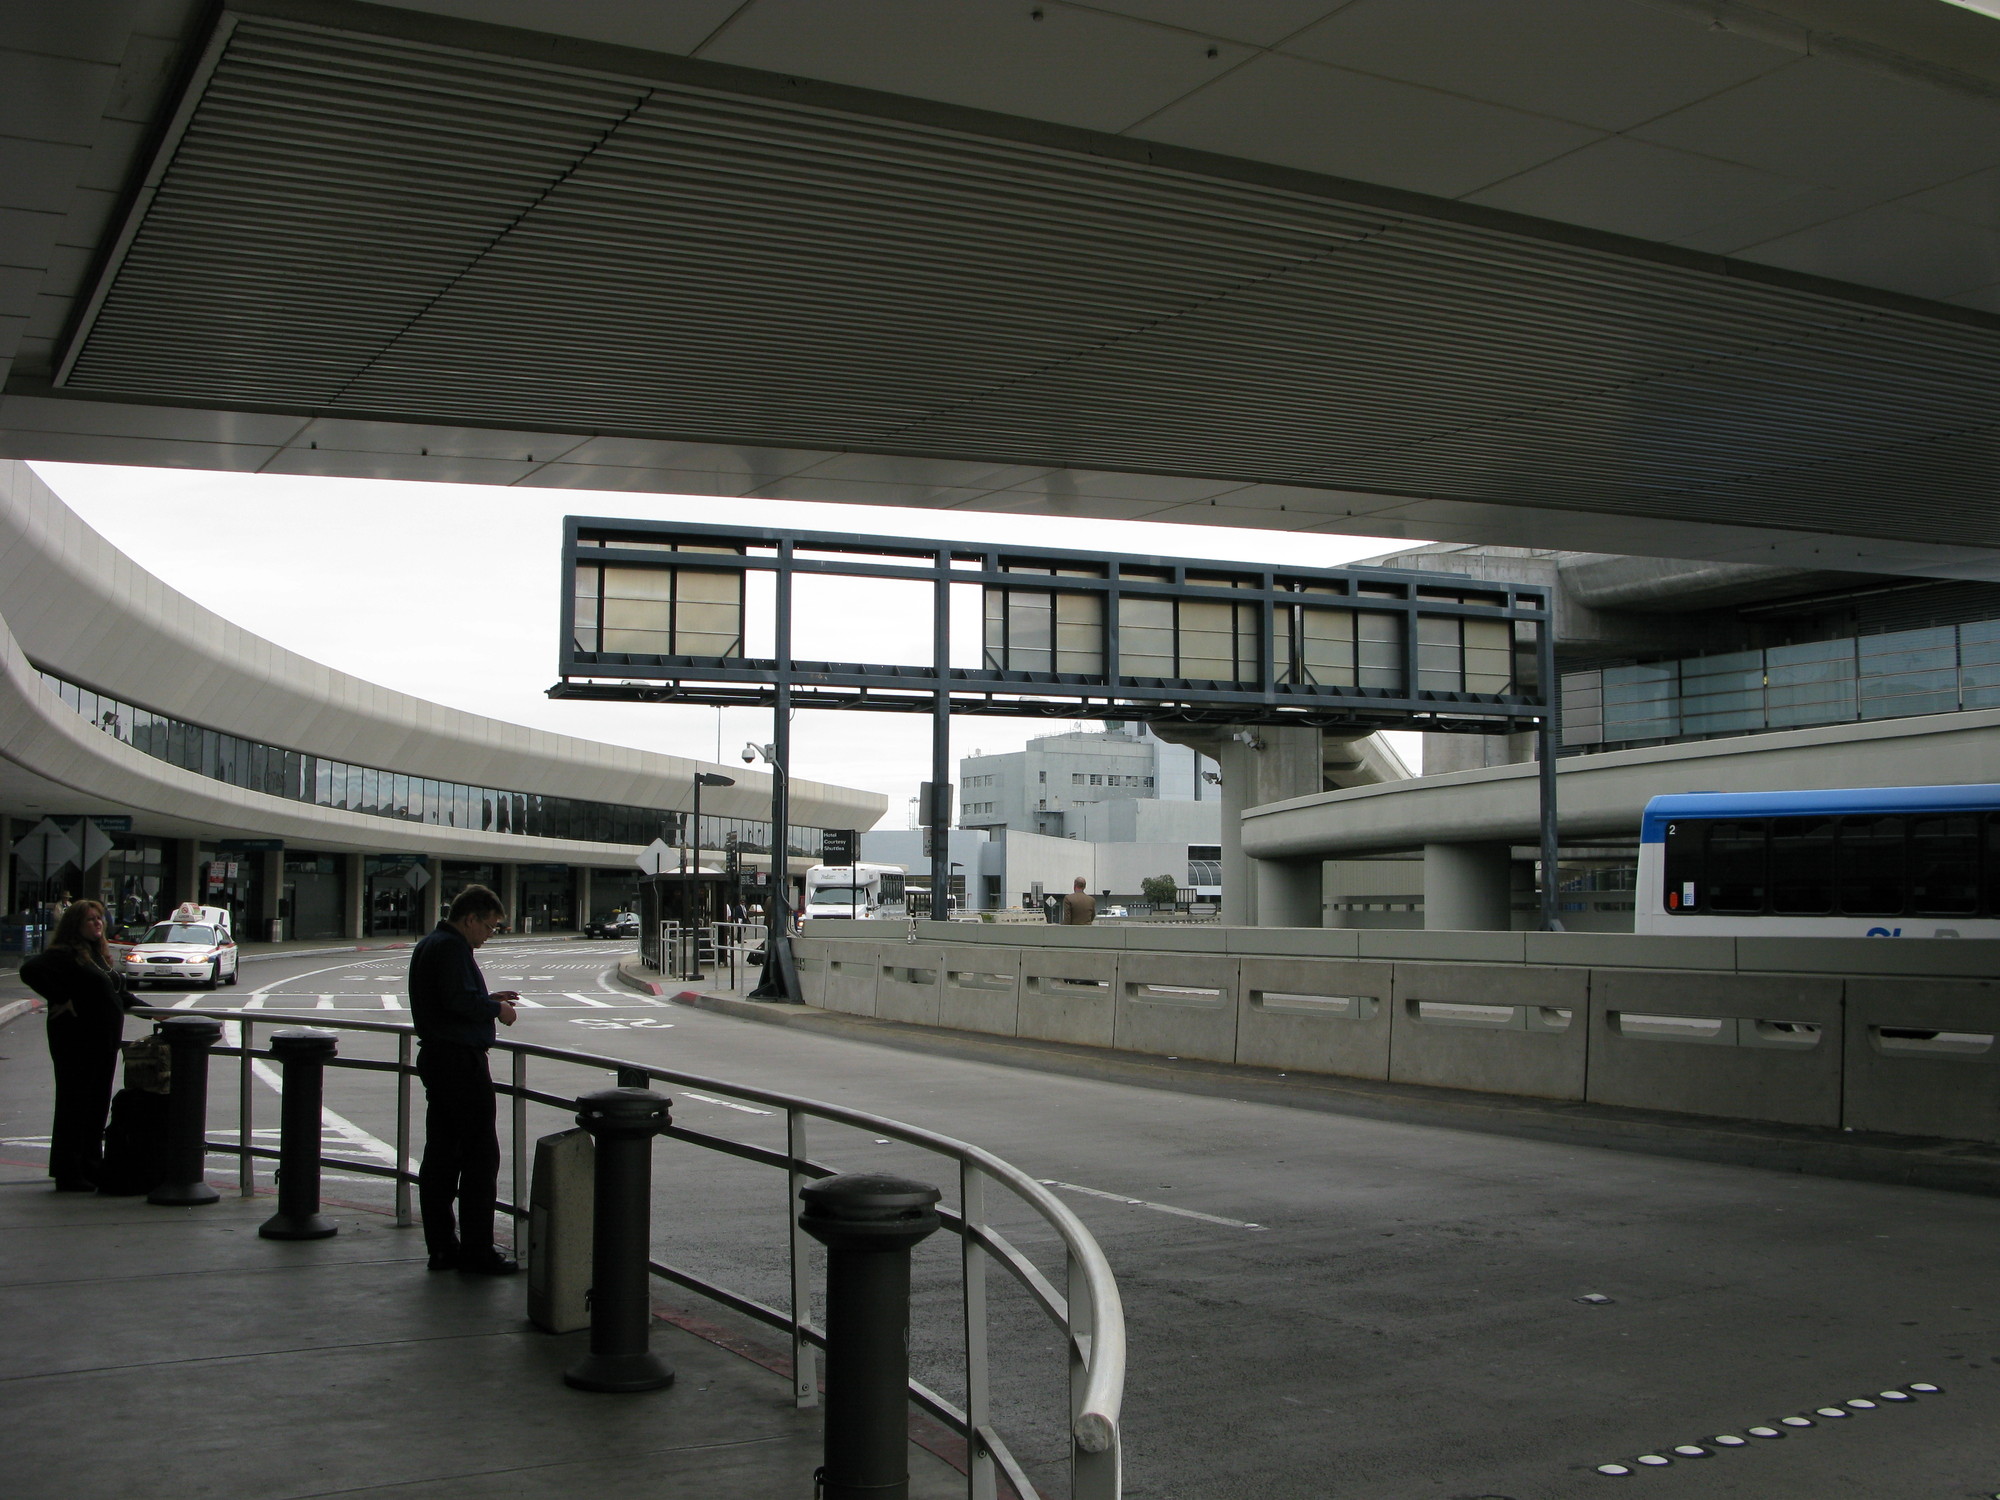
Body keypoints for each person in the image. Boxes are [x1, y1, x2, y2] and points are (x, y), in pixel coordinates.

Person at [408, 885, 520, 1274]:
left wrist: (488, 998)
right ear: (470, 918)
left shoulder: (431, 945)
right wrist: (497, 1010)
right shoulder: (452, 949)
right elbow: (457, 1001)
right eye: (489, 926)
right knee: (479, 1158)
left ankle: (442, 1247)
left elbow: (451, 996)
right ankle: (477, 1250)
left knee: (442, 1156)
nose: (489, 935)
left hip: (439, 1059)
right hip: (460, 1063)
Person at [20, 900, 139, 1191]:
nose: (97, 923)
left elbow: (119, 994)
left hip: (103, 1040)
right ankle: (69, 1171)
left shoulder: (98, 956)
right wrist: (61, 998)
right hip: (76, 1041)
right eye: (90, 919)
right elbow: (30, 970)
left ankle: (90, 1164)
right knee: (75, 1103)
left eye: (99, 918)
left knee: (97, 1103)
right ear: (75, 925)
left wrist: (157, 1013)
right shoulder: (66, 954)